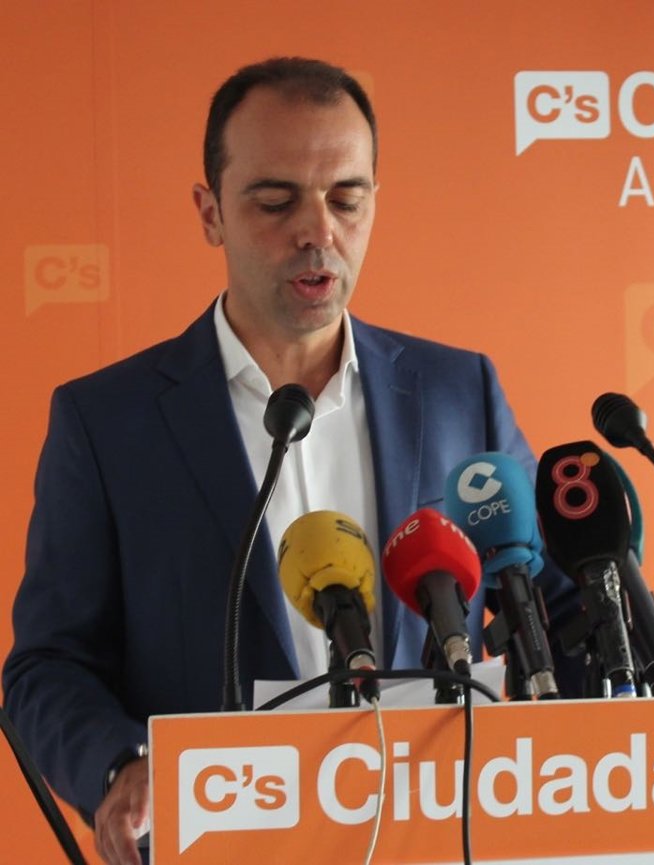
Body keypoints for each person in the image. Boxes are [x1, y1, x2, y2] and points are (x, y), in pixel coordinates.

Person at [3, 57, 579, 865]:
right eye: (276, 202)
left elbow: (551, 602)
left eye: (346, 199)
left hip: (438, 835)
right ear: (210, 212)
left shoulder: (459, 391)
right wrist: (121, 765)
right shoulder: (107, 422)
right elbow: (48, 665)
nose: (318, 231)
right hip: (222, 844)